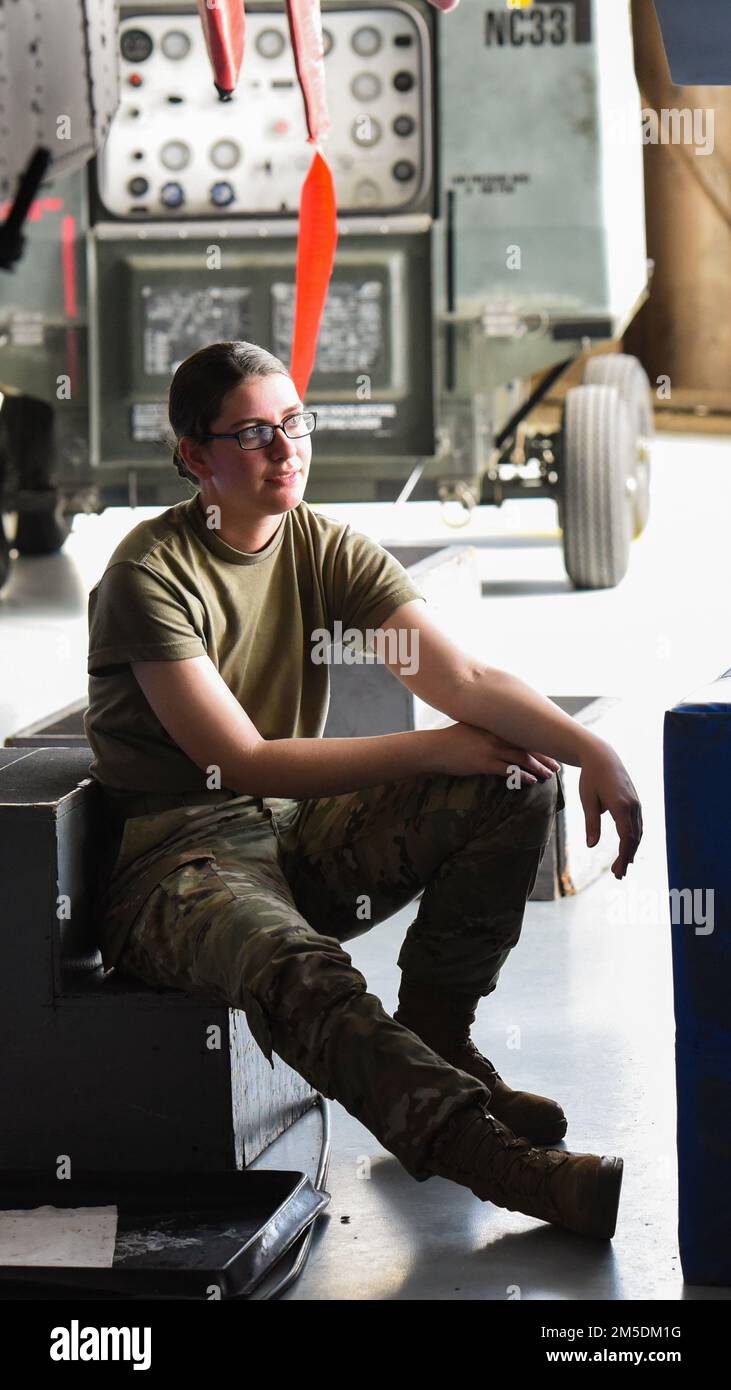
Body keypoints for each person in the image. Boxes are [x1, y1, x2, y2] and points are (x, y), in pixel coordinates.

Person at [84, 339, 642, 1242]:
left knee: (512, 777)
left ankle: (439, 1033)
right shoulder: (148, 577)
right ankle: (502, 1165)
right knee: (304, 972)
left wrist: (590, 749)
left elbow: (456, 678)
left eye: (294, 422)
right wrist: (429, 750)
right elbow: (245, 761)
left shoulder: (321, 547)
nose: (285, 448)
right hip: (173, 865)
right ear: (196, 457)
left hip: (286, 835)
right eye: (255, 433)